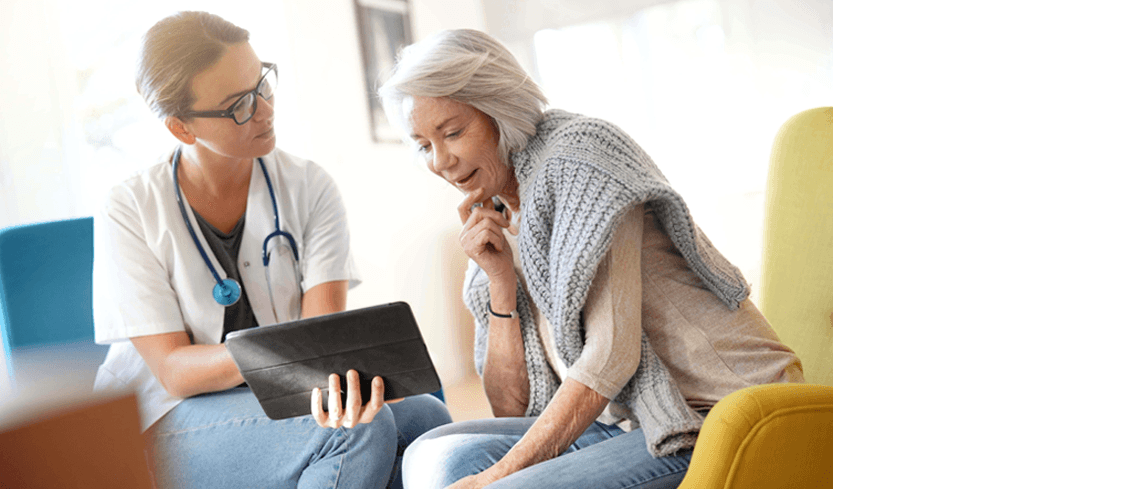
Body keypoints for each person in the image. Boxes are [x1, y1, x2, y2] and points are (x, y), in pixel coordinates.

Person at [379, 29, 804, 489]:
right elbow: (512, 407)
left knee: (501, 486)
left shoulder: (581, 157)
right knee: (431, 455)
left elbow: (611, 355)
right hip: (623, 422)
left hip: (720, 412)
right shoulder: (494, 212)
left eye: (453, 132)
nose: (441, 161)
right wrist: (500, 281)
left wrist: (497, 476)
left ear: (499, 111)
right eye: (424, 145)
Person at [91, 12, 451, 489]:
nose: (264, 109)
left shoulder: (308, 186)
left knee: (428, 421)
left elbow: (321, 341)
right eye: (239, 103)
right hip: (165, 417)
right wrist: (279, 358)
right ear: (181, 128)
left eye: (262, 82)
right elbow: (176, 372)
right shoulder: (131, 207)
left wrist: (339, 376)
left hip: (276, 397)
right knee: (356, 434)